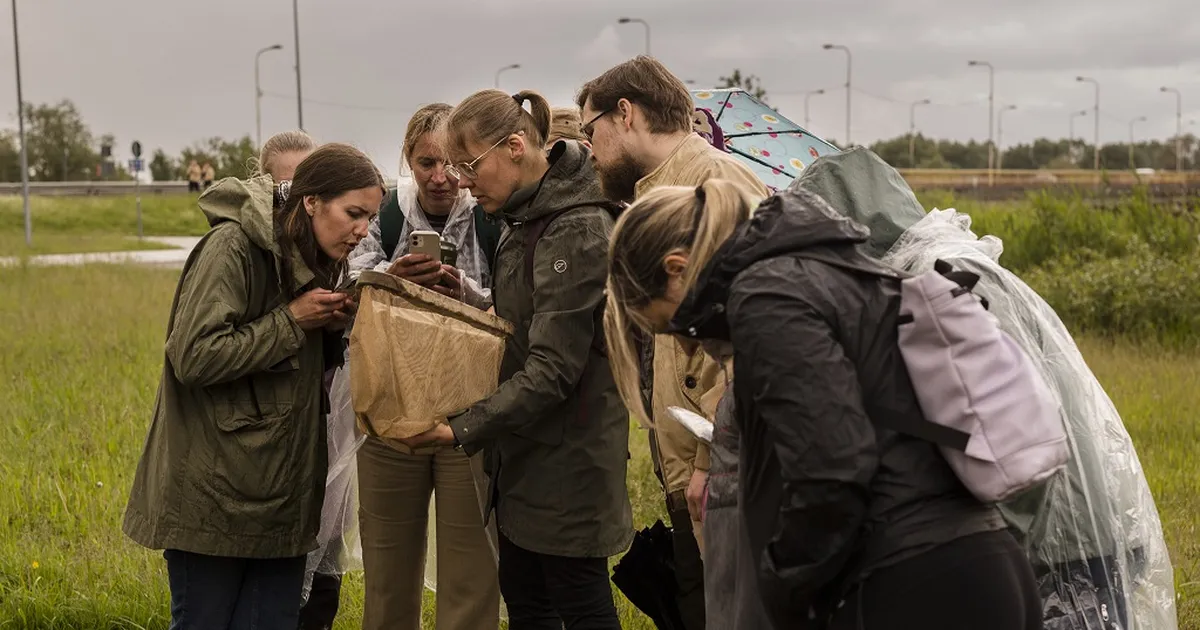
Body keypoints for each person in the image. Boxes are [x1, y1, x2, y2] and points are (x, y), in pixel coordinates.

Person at [603, 179, 1044, 630]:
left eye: (672, 323)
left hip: (913, 582)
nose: (686, 339)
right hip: (965, 563)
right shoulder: (822, 270)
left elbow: (833, 465)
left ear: (677, 269)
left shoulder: (768, 297)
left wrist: (782, 586)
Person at [122, 143, 385, 630]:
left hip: (282, 499)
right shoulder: (233, 247)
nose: (363, 231)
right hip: (214, 500)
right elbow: (194, 355)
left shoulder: (316, 253)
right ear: (310, 202)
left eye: (370, 218)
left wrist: (330, 326)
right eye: (354, 213)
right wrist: (292, 320)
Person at [400, 88, 633, 629]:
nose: (459, 180)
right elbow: (521, 326)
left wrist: (458, 429)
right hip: (524, 455)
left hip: (567, 461)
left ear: (514, 146)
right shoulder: (525, 215)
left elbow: (553, 369)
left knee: (579, 603)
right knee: (527, 599)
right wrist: (473, 300)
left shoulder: (574, 228)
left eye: (468, 165)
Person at [576, 54, 769, 629]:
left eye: (591, 131)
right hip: (694, 462)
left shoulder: (714, 186)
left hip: (720, 469)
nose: (588, 149)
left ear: (626, 114)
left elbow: (745, 338)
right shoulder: (663, 189)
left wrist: (714, 459)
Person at [346, 103, 503, 630]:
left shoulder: (492, 213)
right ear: (408, 160)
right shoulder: (384, 214)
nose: (441, 178)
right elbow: (345, 289)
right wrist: (395, 275)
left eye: (453, 165)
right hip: (391, 409)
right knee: (387, 578)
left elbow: (515, 308)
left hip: (471, 413)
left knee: (471, 579)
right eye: (426, 163)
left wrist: (463, 290)